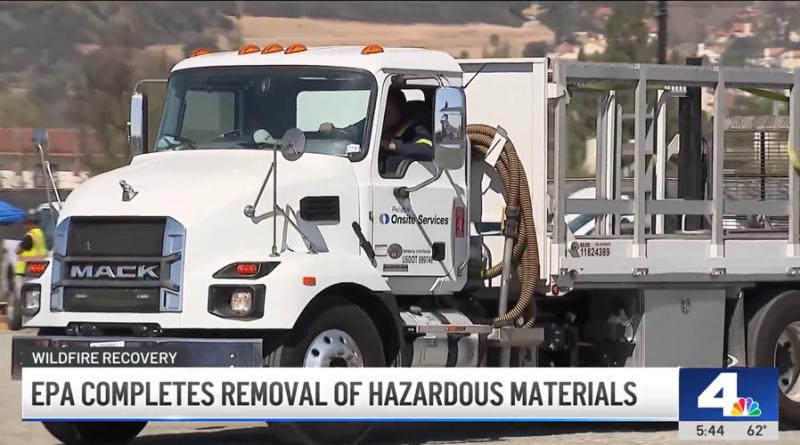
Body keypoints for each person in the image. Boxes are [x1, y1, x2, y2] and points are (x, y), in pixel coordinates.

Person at [319, 88, 433, 174]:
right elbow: (353, 132)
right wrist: (333, 131)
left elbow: (427, 149)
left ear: (396, 108)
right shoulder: (373, 121)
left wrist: (393, 146)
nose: (381, 110)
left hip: (393, 180)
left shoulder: (413, 128)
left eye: (386, 105)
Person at [15, 209, 47, 277]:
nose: (24, 226)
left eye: (25, 224)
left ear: (30, 224)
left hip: (26, 269)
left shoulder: (30, 235)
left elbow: (18, 251)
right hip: (38, 267)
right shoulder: (40, 233)